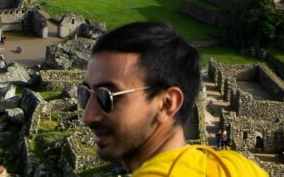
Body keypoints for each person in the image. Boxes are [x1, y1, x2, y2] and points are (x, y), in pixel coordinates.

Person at [79, 21, 268, 176]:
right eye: (85, 95)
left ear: (167, 103)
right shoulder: (238, 169)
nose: (88, 117)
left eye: (107, 97)